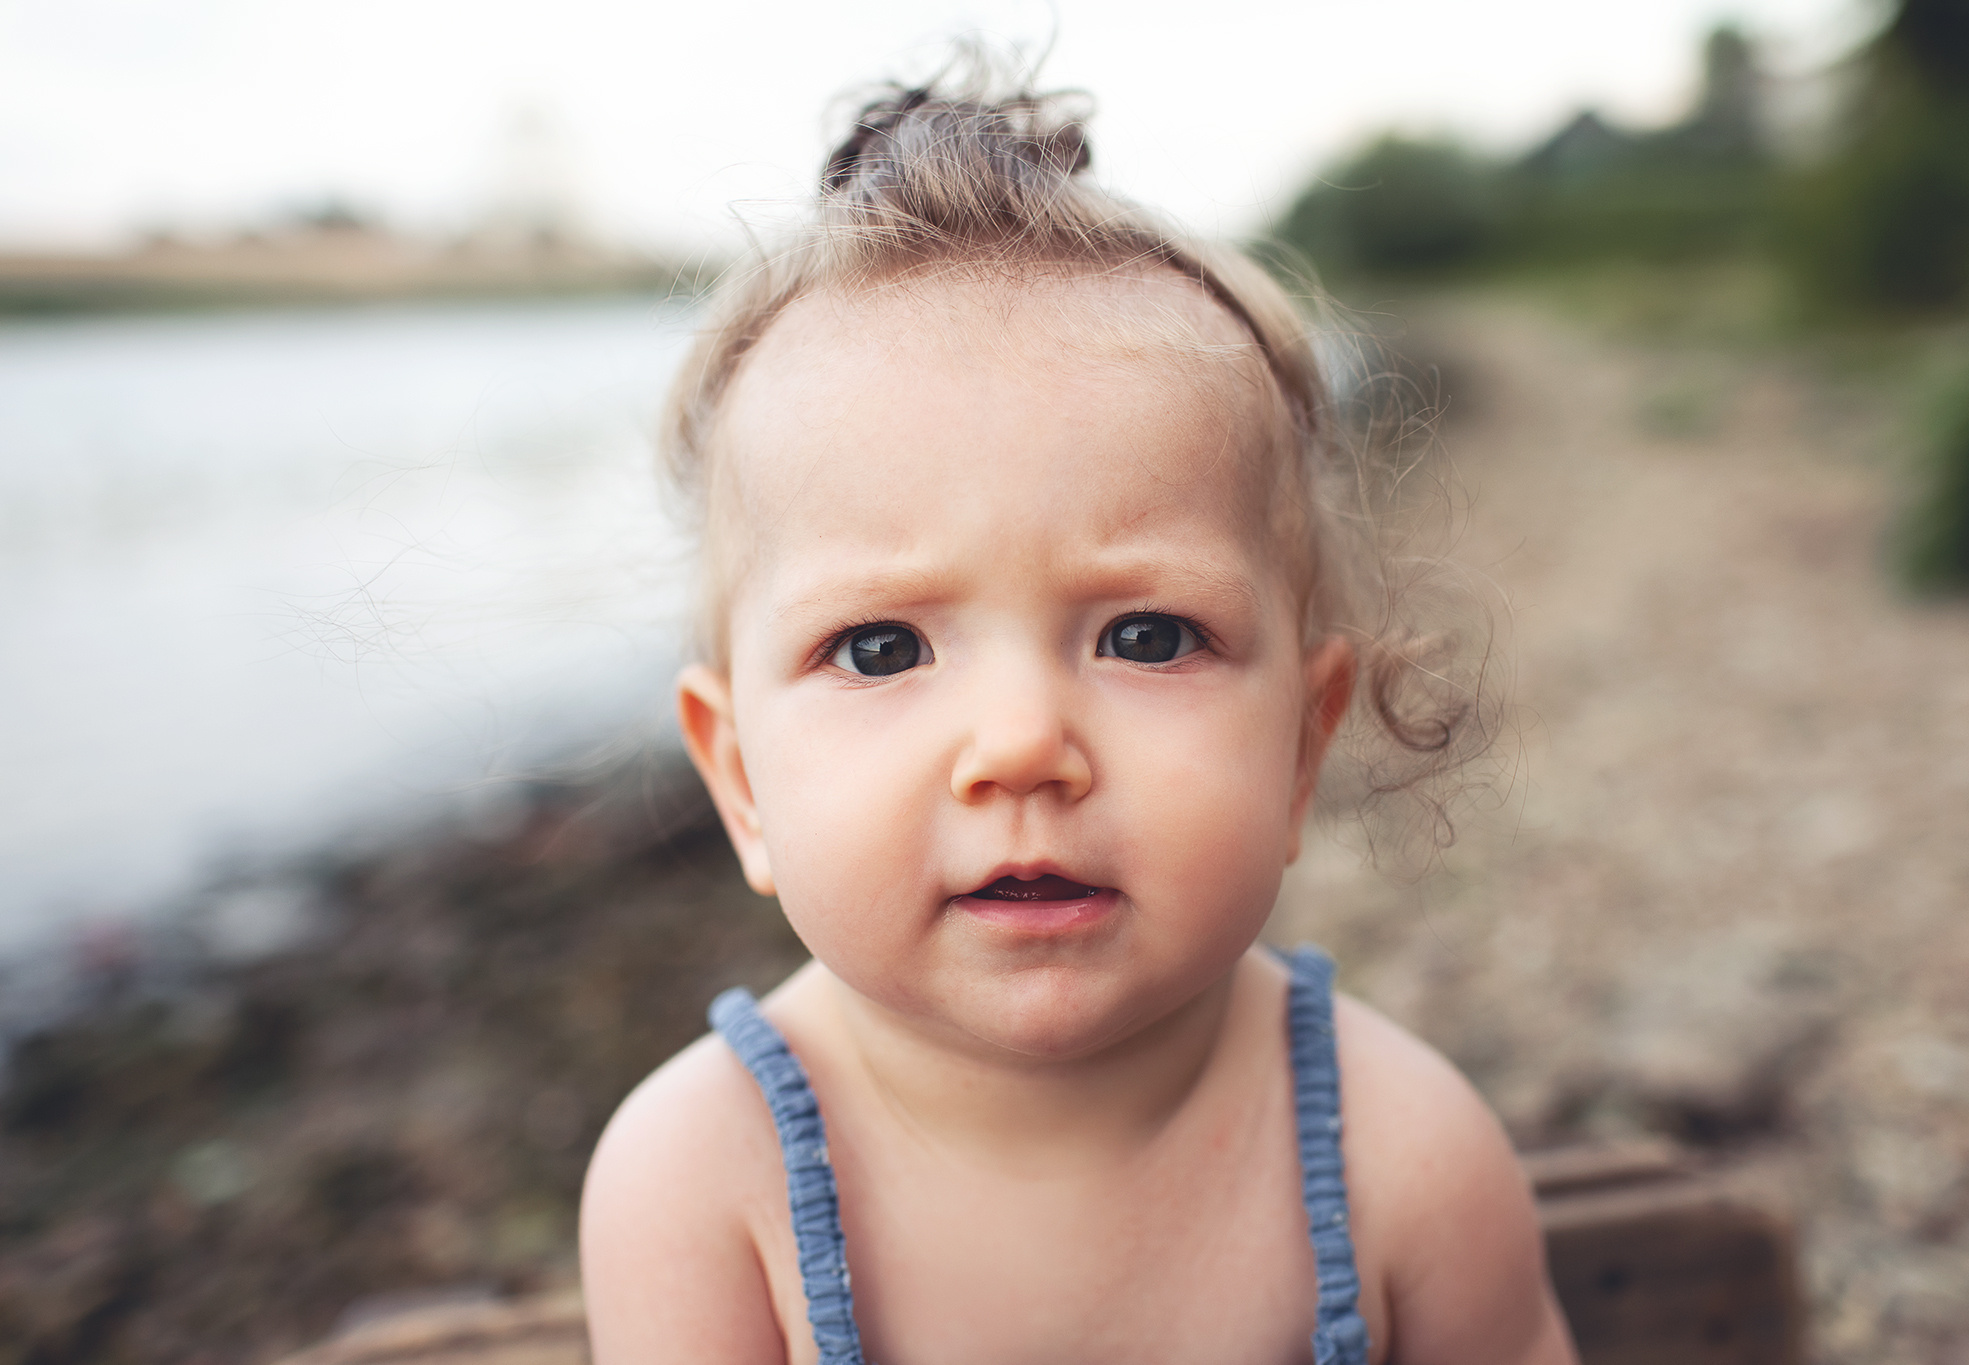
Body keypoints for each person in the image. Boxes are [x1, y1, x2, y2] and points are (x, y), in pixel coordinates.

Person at [580, 71, 1577, 1365]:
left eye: (1147, 635)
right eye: (881, 647)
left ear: (1302, 744)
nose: (1020, 745)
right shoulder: (702, 1185)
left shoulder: (1407, 1156)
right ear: (740, 782)